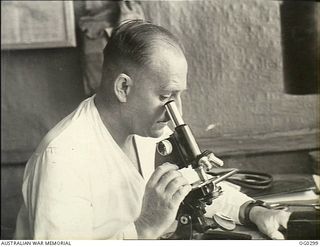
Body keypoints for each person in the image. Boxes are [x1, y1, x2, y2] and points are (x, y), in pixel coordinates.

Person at [14, 20, 290, 240]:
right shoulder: (62, 157)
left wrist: (252, 210)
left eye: (179, 95)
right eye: (166, 95)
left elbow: (191, 190)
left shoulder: (145, 130)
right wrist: (145, 227)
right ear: (123, 88)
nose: (176, 112)